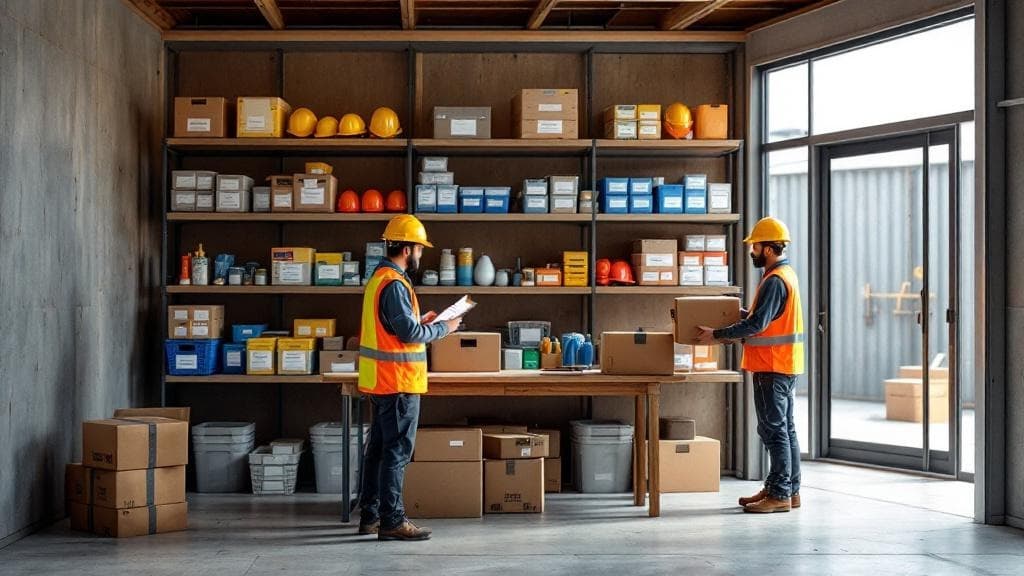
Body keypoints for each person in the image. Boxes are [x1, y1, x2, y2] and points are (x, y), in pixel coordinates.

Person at [358, 215, 460, 540]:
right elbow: (408, 333)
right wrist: (444, 327)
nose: (420, 254)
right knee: (397, 453)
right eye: (418, 247)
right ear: (406, 247)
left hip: (382, 382)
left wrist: (422, 318)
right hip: (398, 383)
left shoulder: (380, 278)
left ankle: (371, 516)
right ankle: (392, 521)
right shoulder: (394, 283)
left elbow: (398, 326)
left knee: (378, 451)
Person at [697, 216, 805, 514]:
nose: (752, 251)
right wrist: (734, 312)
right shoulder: (786, 275)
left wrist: (716, 335)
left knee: (774, 431)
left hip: (771, 366)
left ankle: (780, 494)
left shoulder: (774, 281)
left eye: (755, 246)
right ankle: (786, 490)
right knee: (786, 429)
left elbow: (758, 325)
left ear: (769, 248)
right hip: (784, 364)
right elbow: (765, 318)